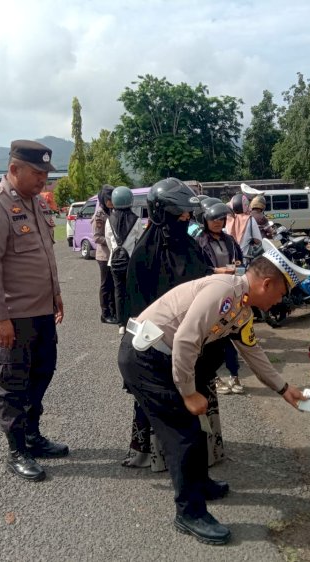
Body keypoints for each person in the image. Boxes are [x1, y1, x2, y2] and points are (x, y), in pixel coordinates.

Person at [117, 251, 309, 545]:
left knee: (193, 428)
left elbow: (252, 352)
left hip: (161, 357)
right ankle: (189, 514)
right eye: (281, 293)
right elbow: (185, 340)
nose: (279, 302)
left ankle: (200, 484)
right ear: (267, 284)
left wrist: (284, 388)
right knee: (183, 435)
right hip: (145, 358)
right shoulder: (225, 291)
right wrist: (188, 392)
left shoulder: (242, 308)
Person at [0, 139, 67, 482]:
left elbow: (47, 254)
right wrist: (0, 317)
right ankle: (16, 451)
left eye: (46, 173)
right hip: (13, 316)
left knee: (42, 373)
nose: (44, 179)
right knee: (13, 383)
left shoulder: (37, 204)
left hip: (41, 311)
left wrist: (56, 294)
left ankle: (32, 435)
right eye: (37, 173)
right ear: (13, 169)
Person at [123, 177, 211, 471]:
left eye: (188, 214)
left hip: (193, 337)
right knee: (153, 394)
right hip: (155, 341)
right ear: (162, 214)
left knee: (194, 387)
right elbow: (136, 306)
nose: (186, 219)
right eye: (180, 214)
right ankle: (149, 452)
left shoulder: (191, 246)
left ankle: (201, 453)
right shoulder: (144, 256)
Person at [196, 200, 246, 395]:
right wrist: (219, 271)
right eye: (213, 219)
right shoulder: (199, 242)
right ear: (204, 220)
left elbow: (241, 259)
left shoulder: (229, 240)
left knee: (232, 334)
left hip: (231, 293)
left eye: (221, 219)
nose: (218, 222)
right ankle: (214, 376)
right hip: (210, 294)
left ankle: (234, 375)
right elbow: (199, 270)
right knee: (211, 337)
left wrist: (238, 264)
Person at [105, 186, 144, 335]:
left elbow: (109, 242)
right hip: (131, 262)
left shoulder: (109, 220)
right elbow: (139, 241)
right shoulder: (136, 219)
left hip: (114, 262)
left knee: (118, 291)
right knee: (132, 290)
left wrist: (115, 254)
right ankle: (132, 319)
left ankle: (121, 323)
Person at [92, 184, 118, 324]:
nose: (111, 202)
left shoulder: (112, 212)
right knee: (106, 285)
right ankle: (105, 313)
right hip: (104, 256)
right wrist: (112, 241)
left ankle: (114, 312)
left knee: (114, 285)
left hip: (113, 255)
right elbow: (96, 237)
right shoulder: (100, 215)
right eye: (109, 199)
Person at [225, 193, 262, 260]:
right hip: (245, 259)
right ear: (246, 205)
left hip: (229, 259)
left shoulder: (228, 219)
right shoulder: (250, 219)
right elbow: (258, 240)